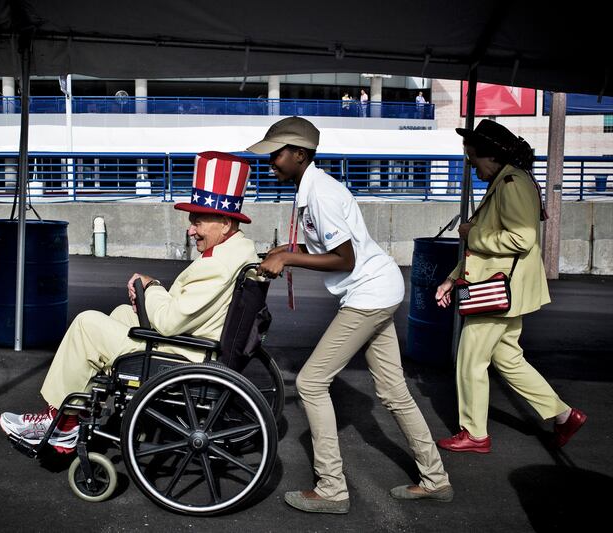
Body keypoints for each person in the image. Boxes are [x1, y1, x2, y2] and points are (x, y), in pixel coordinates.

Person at [248, 116, 452, 515]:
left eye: (276, 154)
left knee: (310, 381)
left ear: (300, 154)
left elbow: (345, 258)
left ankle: (332, 489)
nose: (270, 161)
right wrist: (286, 250)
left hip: (368, 294)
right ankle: (436, 479)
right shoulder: (311, 189)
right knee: (394, 392)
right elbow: (331, 247)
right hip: (377, 289)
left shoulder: (321, 194)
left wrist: (289, 256)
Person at [0, 151, 259, 452]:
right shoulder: (240, 251)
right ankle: (80, 402)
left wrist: (152, 286)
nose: (190, 229)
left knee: (87, 324)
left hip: (187, 356)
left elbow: (170, 321)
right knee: (123, 313)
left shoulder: (218, 265)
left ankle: (61, 423)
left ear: (225, 222)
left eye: (197, 222)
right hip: (199, 343)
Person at [435, 119, 587, 453]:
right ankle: (563, 415)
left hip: (496, 291)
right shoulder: (506, 181)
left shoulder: (512, 184)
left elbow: (522, 238)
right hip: (504, 289)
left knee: (471, 361)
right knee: (508, 359)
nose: (472, 168)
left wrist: (471, 233)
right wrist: (451, 278)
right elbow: (485, 249)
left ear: (491, 156)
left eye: (474, 160)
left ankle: (474, 434)